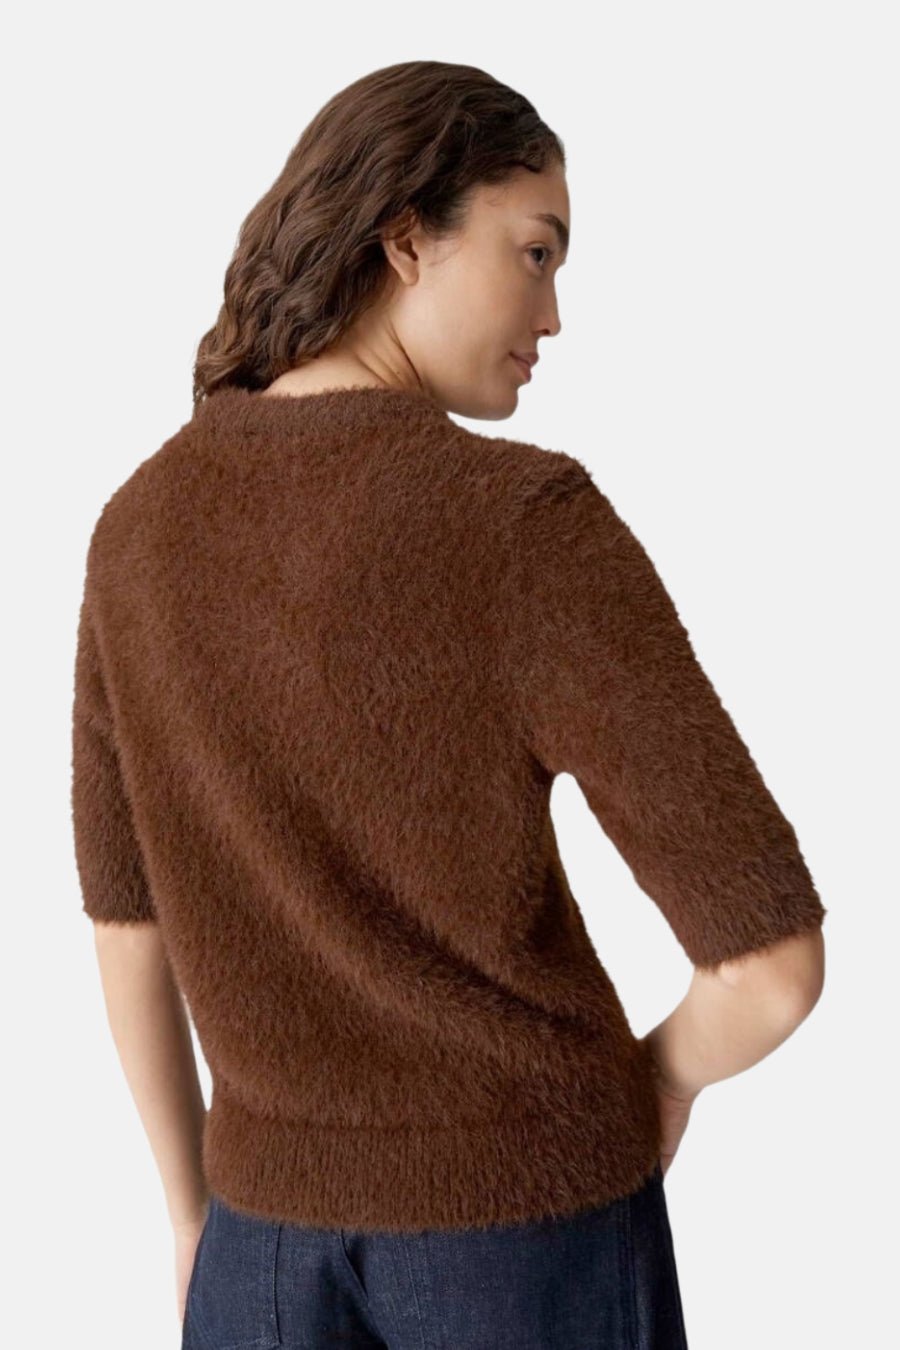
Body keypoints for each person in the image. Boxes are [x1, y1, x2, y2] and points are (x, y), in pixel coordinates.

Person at [71, 60, 826, 1350]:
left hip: (256, 1254)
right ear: (406, 236)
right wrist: (656, 1088)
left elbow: (126, 921)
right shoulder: (524, 522)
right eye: (536, 252)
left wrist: (191, 1212)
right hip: (528, 1231)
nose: (555, 311)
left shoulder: (137, 529)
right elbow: (769, 966)